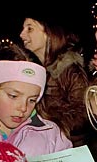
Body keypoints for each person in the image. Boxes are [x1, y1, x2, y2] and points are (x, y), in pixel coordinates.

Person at [19, 13, 91, 148]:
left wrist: (48, 125)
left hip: (68, 150)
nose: (22, 35)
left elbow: (83, 115)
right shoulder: (36, 70)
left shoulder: (70, 69)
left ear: (49, 32)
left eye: (30, 29)